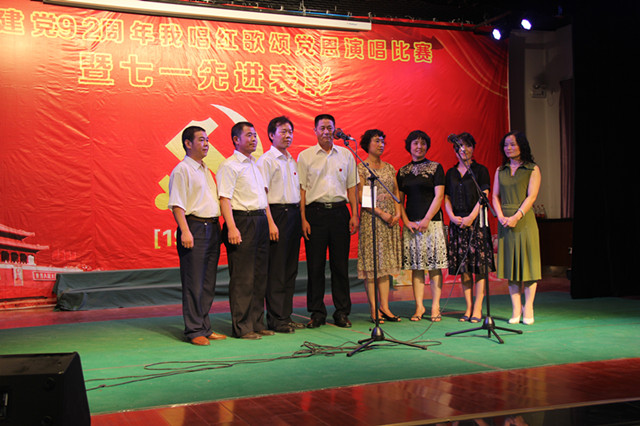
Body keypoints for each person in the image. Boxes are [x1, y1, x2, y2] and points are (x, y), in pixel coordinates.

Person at [298, 114, 359, 328]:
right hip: (315, 214)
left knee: (340, 266)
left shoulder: (346, 154)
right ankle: (317, 312)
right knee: (315, 266)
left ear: (335, 129)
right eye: (322, 128)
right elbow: (302, 190)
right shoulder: (305, 156)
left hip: (340, 213)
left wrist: (354, 214)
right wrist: (303, 218)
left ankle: (342, 312)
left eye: (330, 127)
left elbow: (352, 187)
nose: (326, 132)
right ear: (315, 130)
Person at [217, 121, 277, 339]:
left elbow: (263, 198)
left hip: (260, 220)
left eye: (255, 135)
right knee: (243, 277)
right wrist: (231, 227)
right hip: (242, 221)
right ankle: (242, 327)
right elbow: (224, 199)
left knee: (260, 275)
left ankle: (257, 322)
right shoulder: (229, 165)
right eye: (249, 135)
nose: (254, 139)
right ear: (236, 139)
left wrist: (270, 222)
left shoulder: (255, 164)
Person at [168, 125, 227, 346]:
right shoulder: (182, 169)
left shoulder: (205, 169)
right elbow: (177, 205)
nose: (206, 144)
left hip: (212, 227)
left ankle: (205, 326)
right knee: (194, 281)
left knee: (208, 282)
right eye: (201, 140)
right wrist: (185, 230)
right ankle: (194, 330)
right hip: (194, 227)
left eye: (207, 140)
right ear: (188, 143)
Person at [256, 116, 304, 333]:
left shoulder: (292, 160)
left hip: (293, 214)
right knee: (276, 269)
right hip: (276, 215)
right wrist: (270, 223)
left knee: (290, 269)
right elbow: (262, 194)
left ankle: (286, 315)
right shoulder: (266, 161)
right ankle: (276, 319)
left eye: (290, 132)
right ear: (271, 135)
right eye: (283, 132)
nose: (288, 136)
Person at [444, 132, 495, 323]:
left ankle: (478, 308)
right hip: (457, 223)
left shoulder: (479, 171)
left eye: (467, 145)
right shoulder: (451, 173)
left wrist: (471, 217)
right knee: (464, 268)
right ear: (455, 150)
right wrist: (451, 216)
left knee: (479, 268)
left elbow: (484, 194)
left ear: (473, 148)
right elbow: (446, 197)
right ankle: (468, 307)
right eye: (459, 146)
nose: (463, 149)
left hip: (476, 224)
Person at [397, 130, 448, 322]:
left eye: (423, 143)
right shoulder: (403, 171)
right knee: (416, 267)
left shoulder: (436, 168)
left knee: (434, 267)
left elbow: (439, 196)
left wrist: (426, 219)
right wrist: (406, 221)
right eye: (415, 143)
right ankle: (419, 306)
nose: (419, 147)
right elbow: (399, 201)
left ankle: (435, 306)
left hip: (432, 223)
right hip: (411, 225)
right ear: (409, 146)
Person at [492, 131, 541, 325]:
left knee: (528, 266)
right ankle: (515, 309)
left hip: (524, 221)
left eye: (512, 144)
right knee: (511, 268)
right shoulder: (500, 170)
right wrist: (501, 216)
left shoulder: (532, 169)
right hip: (505, 221)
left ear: (522, 145)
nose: (509, 148)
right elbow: (495, 196)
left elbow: (532, 196)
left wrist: (516, 216)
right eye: (506, 145)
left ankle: (528, 307)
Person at [356, 129, 402, 323]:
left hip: (390, 220)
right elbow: (362, 197)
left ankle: (385, 306)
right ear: (367, 144)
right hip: (372, 219)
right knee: (373, 265)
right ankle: (374, 309)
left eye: (383, 141)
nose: (381, 144)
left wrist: (397, 213)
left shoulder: (390, 168)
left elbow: (396, 192)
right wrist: (381, 213)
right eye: (377, 141)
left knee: (385, 266)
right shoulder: (362, 168)